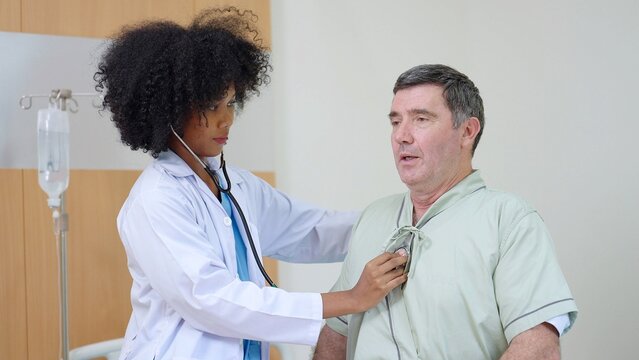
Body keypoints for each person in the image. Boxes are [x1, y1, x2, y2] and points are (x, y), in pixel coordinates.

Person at [94, 8, 408, 360]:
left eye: (231, 102)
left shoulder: (236, 186)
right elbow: (213, 300)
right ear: (171, 109)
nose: (227, 118)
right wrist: (349, 299)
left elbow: (311, 230)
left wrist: (400, 219)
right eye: (213, 106)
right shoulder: (155, 201)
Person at [314, 64, 578, 360]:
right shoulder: (372, 218)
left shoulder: (510, 220)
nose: (402, 135)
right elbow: (336, 335)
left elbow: (538, 346)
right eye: (395, 121)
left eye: (421, 119)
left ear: (467, 131)